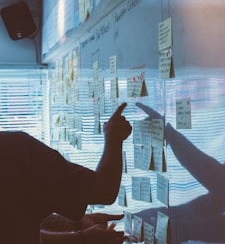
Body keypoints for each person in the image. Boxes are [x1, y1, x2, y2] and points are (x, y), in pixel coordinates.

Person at [0, 103, 132, 244]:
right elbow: (104, 190)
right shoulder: (13, 148)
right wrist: (114, 136)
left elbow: (16, 225)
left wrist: (75, 226)